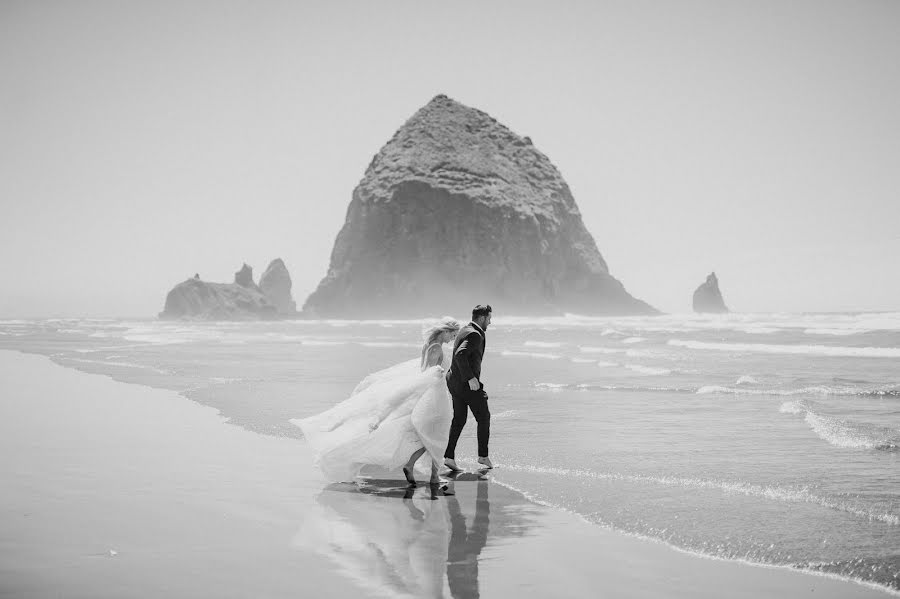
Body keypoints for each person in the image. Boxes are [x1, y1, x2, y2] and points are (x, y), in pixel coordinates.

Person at [292, 317, 461, 487]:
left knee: (429, 434)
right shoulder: (436, 348)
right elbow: (428, 372)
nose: (452, 339)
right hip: (433, 394)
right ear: (445, 331)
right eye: (452, 335)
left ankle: (421, 470)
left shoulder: (429, 344)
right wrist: (438, 372)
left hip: (434, 392)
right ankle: (429, 474)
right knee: (435, 434)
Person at [444, 304, 493, 471]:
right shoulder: (474, 335)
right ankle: (483, 456)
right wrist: (471, 378)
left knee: (459, 420)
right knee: (484, 417)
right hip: (466, 384)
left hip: (454, 382)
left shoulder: (465, 329)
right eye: (489, 318)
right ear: (482, 318)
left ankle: (449, 457)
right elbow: (460, 354)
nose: (490, 322)